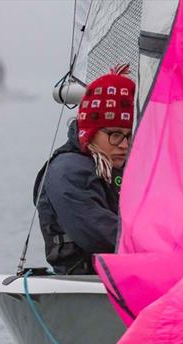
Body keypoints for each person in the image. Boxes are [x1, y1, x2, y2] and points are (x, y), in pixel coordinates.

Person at [35, 65, 135, 275]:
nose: (124, 145)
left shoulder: (125, 166)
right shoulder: (68, 171)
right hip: (85, 279)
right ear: (91, 132)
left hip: (125, 273)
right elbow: (97, 233)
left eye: (127, 136)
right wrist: (159, 243)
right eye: (115, 135)